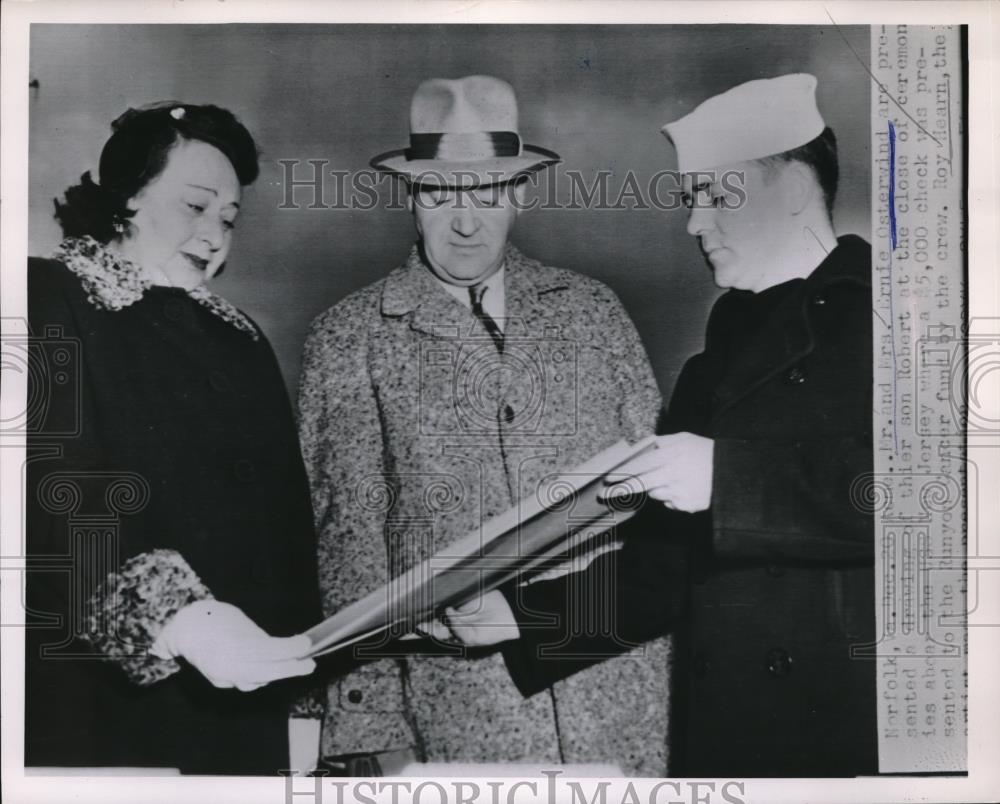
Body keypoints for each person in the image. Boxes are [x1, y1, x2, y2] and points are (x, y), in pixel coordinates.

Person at [448, 73, 877, 777]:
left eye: (714, 194)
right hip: (727, 732)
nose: (693, 223)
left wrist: (727, 478)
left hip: (847, 733)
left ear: (795, 188)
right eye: (690, 198)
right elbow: (665, 569)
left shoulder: (900, 316)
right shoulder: (715, 358)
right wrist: (521, 615)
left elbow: (939, 497)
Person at [298, 75, 671, 774]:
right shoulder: (349, 338)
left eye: (487, 193)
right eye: (441, 194)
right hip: (462, 718)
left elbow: (661, 518)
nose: (465, 221)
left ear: (520, 194)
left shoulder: (594, 312)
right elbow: (349, 556)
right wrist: (371, 730)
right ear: (412, 198)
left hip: (624, 700)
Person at [25, 102, 321, 775]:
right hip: (100, 716)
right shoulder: (44, 295)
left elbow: (288, 538)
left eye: (228, 218)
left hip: (244, 719)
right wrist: (180, 618)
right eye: (194, 205)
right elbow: (48, 499)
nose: (215, 234)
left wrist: (303, 705)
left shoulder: (243, 340)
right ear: (125, 195)